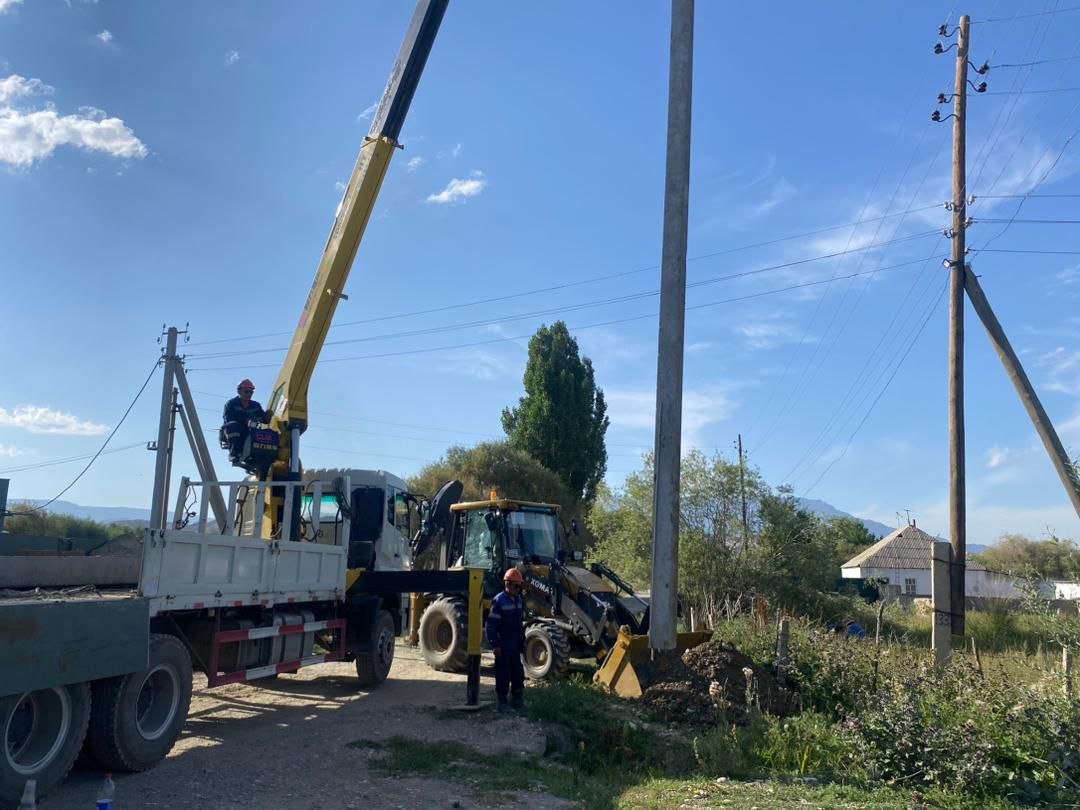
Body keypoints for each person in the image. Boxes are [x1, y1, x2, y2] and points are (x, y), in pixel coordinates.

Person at [486, 568, 526, 713]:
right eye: (516, 586)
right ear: (507, 584)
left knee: (518, 673)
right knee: (503, 674)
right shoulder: (499, 601)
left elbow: (519, 623)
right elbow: (490, 626)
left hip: (514, 644)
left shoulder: (519, 600)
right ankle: (502, 703)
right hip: (503, 645)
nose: (518, 589)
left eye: (519, 586)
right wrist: (495, 645)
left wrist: (523, 641)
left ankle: (518, 700)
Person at [221, 379, 270, 465]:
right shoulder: (231, 404)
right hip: (235, 431)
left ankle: (260, 457)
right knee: (233, 426)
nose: (249, 394)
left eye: (251, 392)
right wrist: (245, 421)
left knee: (266, 434)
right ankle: (234, 453)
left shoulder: (256, 405)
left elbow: (264, 420)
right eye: (246, 391)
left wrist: (268, 416)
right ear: (239, 391)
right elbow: (228, 420)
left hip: (251, 431)